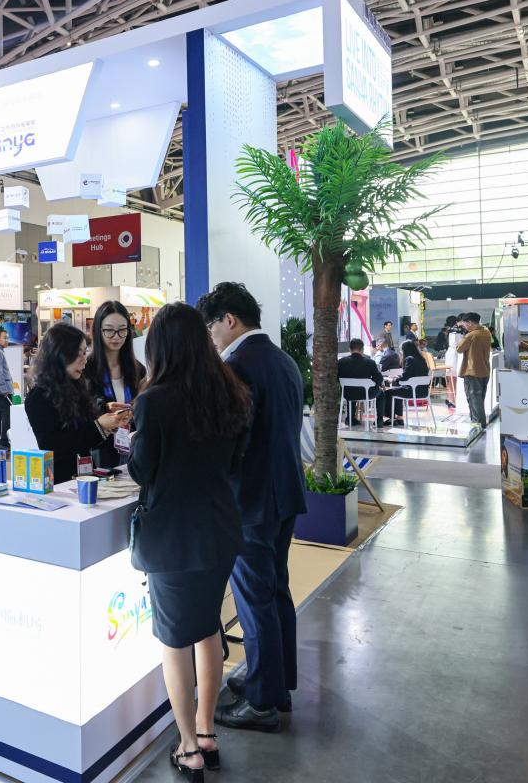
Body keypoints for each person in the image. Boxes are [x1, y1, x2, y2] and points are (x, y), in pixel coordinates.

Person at [127, 302, 252, 779]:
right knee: (207, 630)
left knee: (174, 641)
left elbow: (142, 470)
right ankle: (206, 733)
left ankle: (187, 748)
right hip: (219, 531)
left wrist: (133, 440)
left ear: (161, 349)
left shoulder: (154, 401)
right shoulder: (230, 392)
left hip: (173, 539)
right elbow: (234, 463)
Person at [196, 282, 306, 733]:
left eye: (211, 328)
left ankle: (261, 703)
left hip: (250, 500)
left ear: (229, 320)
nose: (211, 338)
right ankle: (276, 684)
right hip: (284, 493)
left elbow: (230, 439)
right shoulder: (283, 360)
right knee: (276, 591)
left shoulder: (236, 366)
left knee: (254, 599)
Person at [25, 324, 128, 484]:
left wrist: (105, 412)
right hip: (61, 483)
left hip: (86, 477)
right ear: (59, 354)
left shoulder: (75, 387)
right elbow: (55, 446)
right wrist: (100, 426)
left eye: (85, 352)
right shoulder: (38, 397)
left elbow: (83, 426)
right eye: (78, 353)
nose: (84, 360)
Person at [85, 301, 146, 470]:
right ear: (98, 331)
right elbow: (83, 411)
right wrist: (104, 408)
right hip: (98, 454)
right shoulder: (86, 369)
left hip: (133, 451)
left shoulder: (138, 369)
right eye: (109, 330)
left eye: (122, 330)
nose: (116, 336)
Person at [455, 312, 493, 427]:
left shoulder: (471, 335)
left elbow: (459, 349)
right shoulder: (486, 332)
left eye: (465, 323)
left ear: (470, 322)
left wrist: (464, 336)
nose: (464, 326)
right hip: (485, 369)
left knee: (473, 398)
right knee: (480, 397)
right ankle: (478, 423)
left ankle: (478, 424)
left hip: (472, 370)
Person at [380, 340, 429, 425]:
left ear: (405, 350)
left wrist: (394, 380)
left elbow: (405, 377)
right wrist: (399, 379)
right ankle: (399, 418)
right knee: (397, 390)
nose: (401, 352)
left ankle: (391, 418)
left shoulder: (410, 359)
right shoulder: (421, 359)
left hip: (413, 391)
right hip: (423, 391)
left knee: (388, 393)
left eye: (401, 350)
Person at [338, 338, 384, 426]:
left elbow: (337, 378)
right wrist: (375, 385)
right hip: (366, 394)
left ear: (349, 349)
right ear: (362, 349)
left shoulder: (341, 362)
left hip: (347, 393)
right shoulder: (370, 362)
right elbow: (379, 378)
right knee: (381, 393)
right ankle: (379, 420)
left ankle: (350, 419)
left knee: (351, 390)